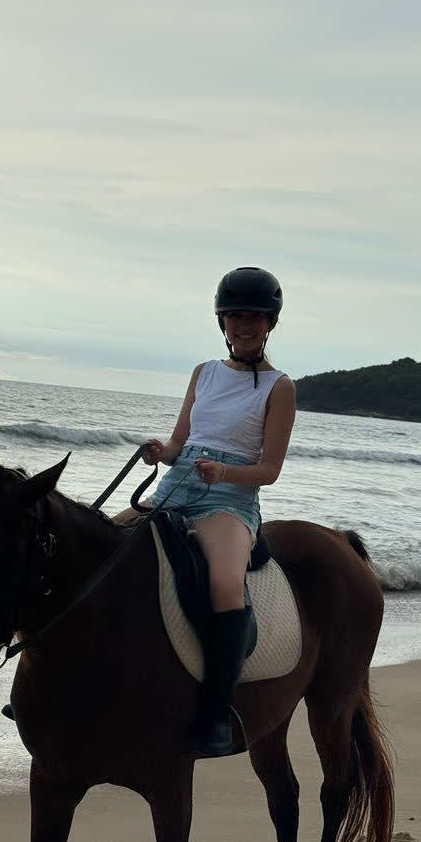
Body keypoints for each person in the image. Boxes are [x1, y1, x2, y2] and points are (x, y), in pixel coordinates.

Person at [135, 266, 296, 757]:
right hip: (177, 485)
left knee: (225, 583)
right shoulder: (203, 373)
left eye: (254, 318)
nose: (243, 326)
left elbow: (269, 470)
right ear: (222, 321)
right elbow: (180, 441)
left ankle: (217, 712)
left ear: (270, 324)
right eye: (234, 317)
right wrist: (161, 452)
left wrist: (225, 473)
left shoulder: (279, 387)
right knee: (105, 550)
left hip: (229, 499)